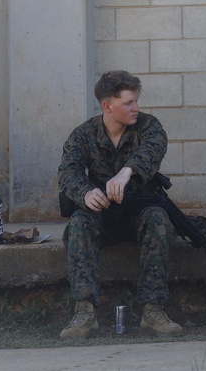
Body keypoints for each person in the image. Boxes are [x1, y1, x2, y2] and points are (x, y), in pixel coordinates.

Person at [57, 70, 183, 339]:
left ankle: (153, 311)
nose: (136, 108)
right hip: (102, 213)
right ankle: (84, 313)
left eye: (136, 101)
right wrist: (86, 193)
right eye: (129, 103)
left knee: (159, 218)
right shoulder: (83, 135)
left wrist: (127, 172)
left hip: (139, 211)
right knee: (78, 222)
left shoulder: (148, 126)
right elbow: (68, 173)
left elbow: (154, 149)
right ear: (108, 106)